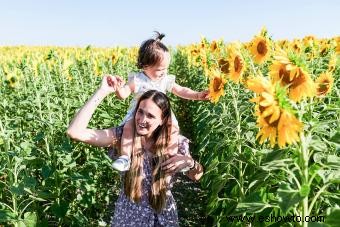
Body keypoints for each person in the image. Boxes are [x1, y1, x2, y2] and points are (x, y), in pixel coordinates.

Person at [66, 76, 203, 226]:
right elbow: (75, 132)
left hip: (165, 219)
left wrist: (190, 163)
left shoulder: (176, 143)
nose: (142, 119)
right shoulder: (122, 136)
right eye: (140, 112)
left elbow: (196, 176)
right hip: (129, 219)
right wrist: (102, 91)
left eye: (150, 116)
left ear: (162, 120)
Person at [111, 31, 209, 173]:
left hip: (160, 113)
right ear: (145, 66)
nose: (164, 72)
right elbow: (124, 94)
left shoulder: (164, 79)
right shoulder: (138, 80)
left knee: (173, 128)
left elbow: (180, 90)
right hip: (140, 113)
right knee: (128, 127)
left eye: (166, 68)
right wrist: (118, 89)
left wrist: (198, 95)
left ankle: (172, 157)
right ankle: (125, 157)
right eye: (160, 69)